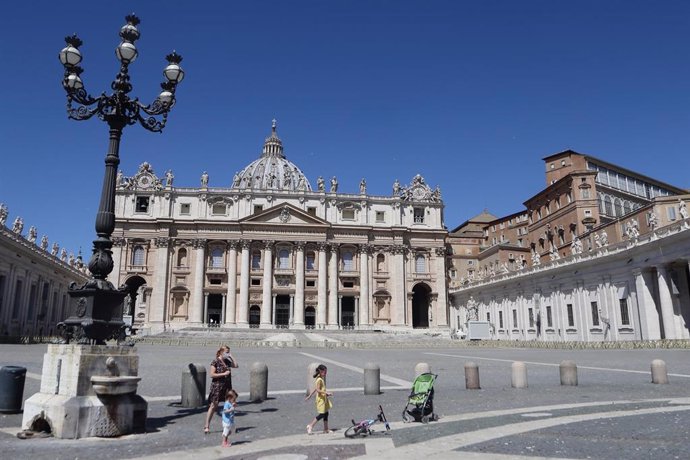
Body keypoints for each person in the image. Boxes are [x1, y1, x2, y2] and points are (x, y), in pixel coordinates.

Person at [204, 345, 238, 433]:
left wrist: (231, 356)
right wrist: (224, 374)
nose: (228, 354)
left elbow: (236, 365)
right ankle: (206, 426)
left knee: (230, 405)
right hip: (217, 386)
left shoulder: (227, 361)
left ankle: (229, 425)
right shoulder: (215, 361)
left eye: (228, 352)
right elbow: (212, 374)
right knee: (213, 405)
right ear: (221, 352)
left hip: (227, 386)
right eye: (227, 352)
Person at [305, 364, 333, 435]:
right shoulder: (319, 379)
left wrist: (310, 396)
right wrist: (326, 392)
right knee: (322, 414)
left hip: (323, 398)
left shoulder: (319, 378)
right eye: (324, 372)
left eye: (326, 372)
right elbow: (317, 389)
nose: (325, 373)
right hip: (321, 399)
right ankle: (310, 426)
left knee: (326, 413)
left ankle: (326, 429)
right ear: (320, 371)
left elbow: (315, 388)